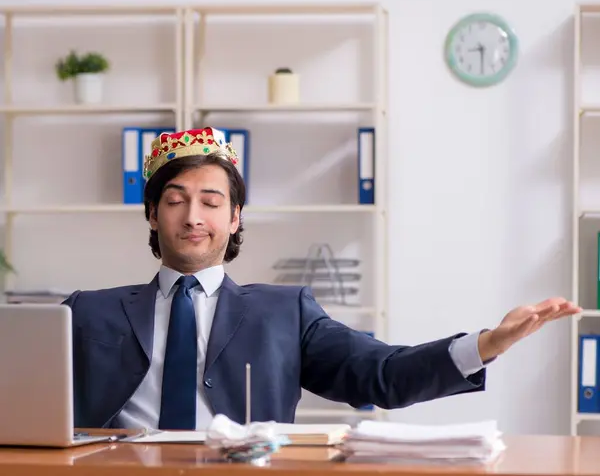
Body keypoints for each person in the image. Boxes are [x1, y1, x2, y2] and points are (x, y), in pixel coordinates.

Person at [63, 127, 580, 430]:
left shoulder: (285, 313)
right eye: (175, 201)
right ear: (152, 214)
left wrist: (486, 344)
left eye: (211, 202)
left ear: (236, 217)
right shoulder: (86, 311)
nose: (193, 216)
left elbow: (384, 374)